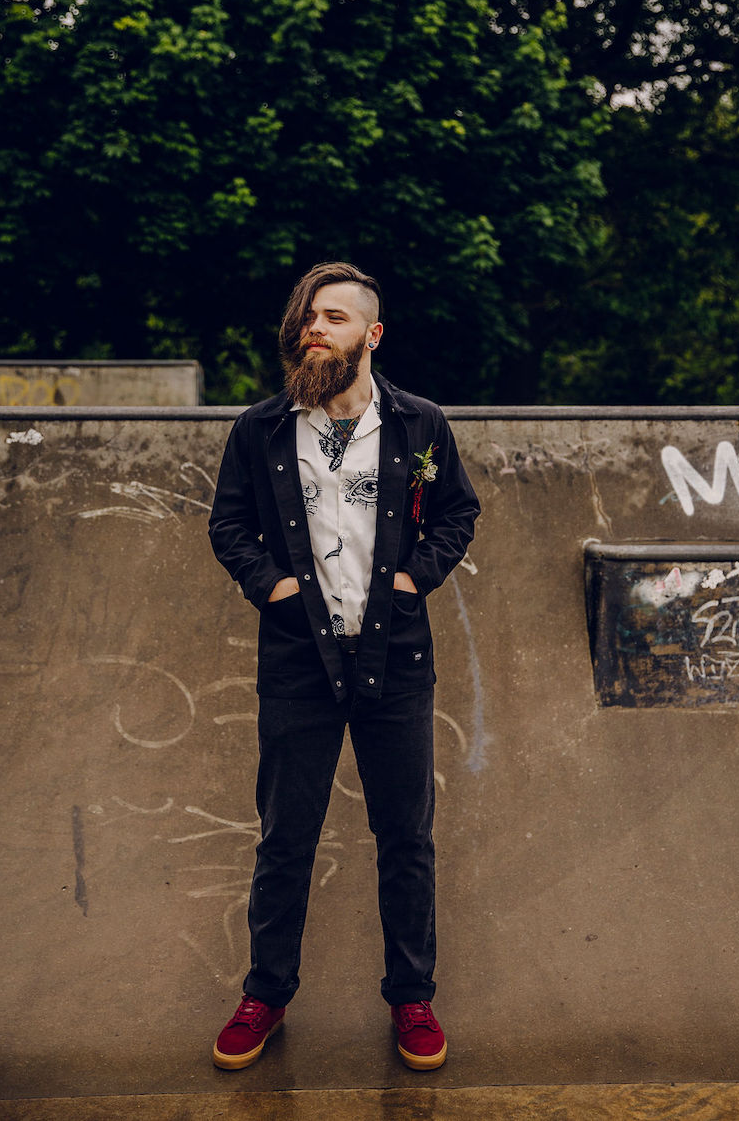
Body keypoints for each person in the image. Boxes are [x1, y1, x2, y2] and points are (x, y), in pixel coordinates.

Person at [208, 261, 480, 1072]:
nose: (313, 328)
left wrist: (414, 576)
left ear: (372, 333)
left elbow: (458, 510)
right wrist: (276, 589)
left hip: (395, 656)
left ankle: (412, 998)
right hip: (298, 658)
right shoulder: (260, 429)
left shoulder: (418, 424)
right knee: (285, 838)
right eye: (307, 316)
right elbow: (228, 524)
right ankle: (266, 992)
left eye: (332, 316)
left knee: (404, 837)